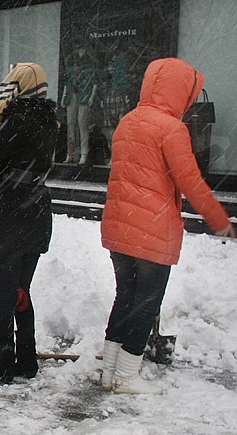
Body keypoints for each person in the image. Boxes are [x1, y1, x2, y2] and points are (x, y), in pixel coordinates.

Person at [99, 58, 236, 395]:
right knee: (147, 301)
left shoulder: (128, 122)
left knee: (125, 297)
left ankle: (108, 372)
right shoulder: (172, 129)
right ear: (182, 93)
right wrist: (220, 221)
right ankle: (127, 377)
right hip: (152, 230)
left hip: (120, 227)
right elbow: (191, 182)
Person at [0, 62, 56, 384]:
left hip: (11, 213)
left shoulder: (19, 122)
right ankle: (27, 360)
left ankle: (5, 363)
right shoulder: (49, 122)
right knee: (21, 289)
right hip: (36, 212)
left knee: (4, 293)